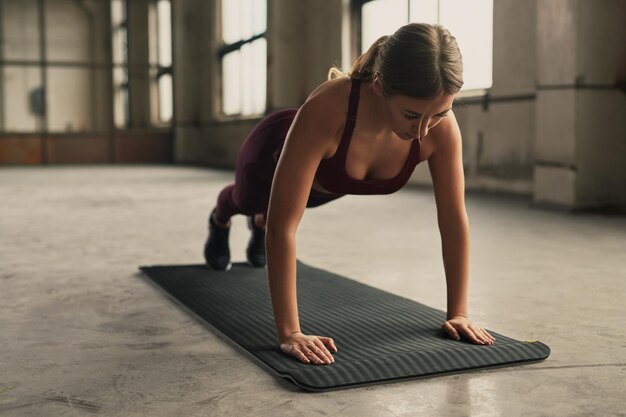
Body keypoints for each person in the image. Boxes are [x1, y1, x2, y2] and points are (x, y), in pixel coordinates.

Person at [204, 23, 496, 366]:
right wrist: (290, 332)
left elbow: (453, 218)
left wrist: (458, 312)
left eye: (439, 114)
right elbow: (285, 227)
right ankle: (220, 218)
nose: (422, 130)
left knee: (274, 213)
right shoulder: (328, 108)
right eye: (411, 115)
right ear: (379, 86)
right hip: (268, 158)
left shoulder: (440, 128)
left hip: (325, 187)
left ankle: (258, 221)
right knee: (247, 201)